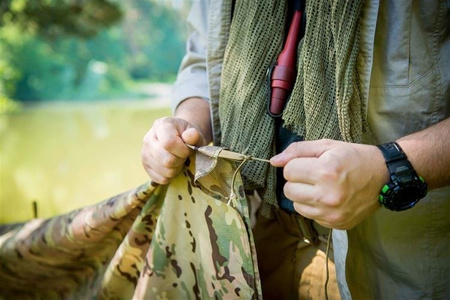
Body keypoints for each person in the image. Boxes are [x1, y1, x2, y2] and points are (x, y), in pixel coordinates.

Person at [141, 1, 450, 299]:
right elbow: (203, 62)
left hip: (388, 255)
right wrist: (183, 125)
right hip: (250, 233)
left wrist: (392, 167)